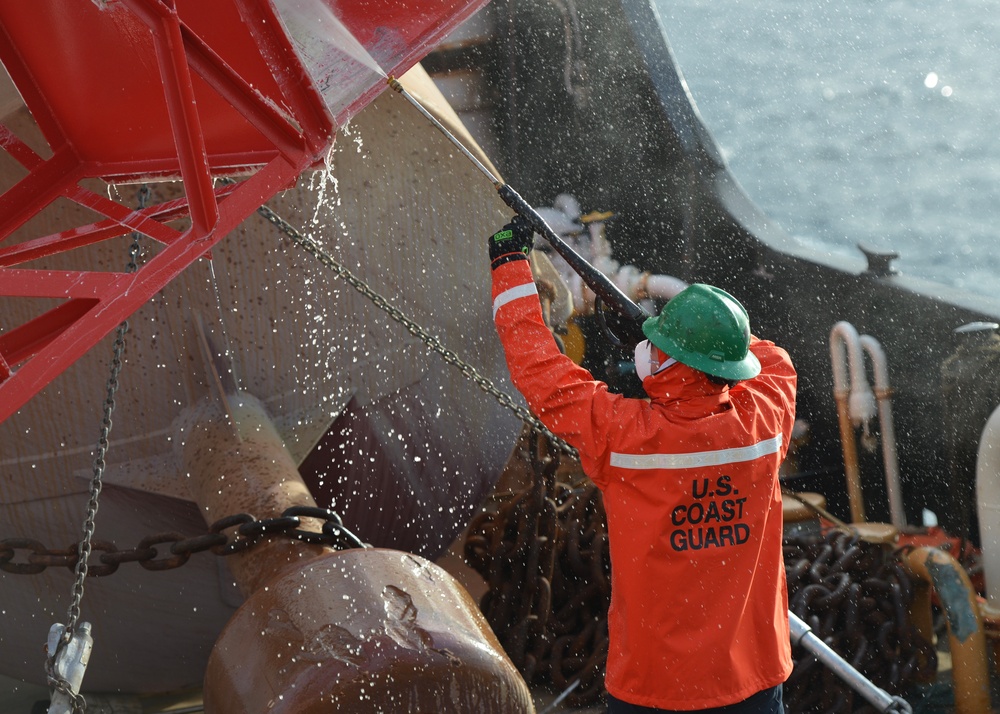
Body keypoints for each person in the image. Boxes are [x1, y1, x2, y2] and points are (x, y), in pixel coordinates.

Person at [487, 216, 796, 713]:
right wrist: (695, 340)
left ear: (670, 359)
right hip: (753, 678)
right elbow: (772, 360)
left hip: (656, 686)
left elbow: (537, 368)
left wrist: (508, 264)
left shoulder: (623, 435)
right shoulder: (767, 419)